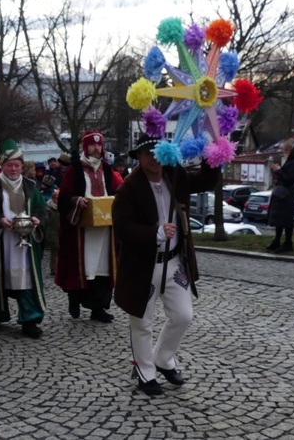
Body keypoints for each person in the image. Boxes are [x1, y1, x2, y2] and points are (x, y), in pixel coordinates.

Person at [112, 134, 220, 396]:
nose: (154, 158)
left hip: (174, 262)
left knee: (183, 316)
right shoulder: (129, 187)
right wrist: (156, 233)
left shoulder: (174, 174)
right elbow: (122, 227)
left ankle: (163, 359)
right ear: (138, 157)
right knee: (142, 322)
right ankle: (145, 372)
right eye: (148, 153)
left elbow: (205, 180)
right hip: (143, 266)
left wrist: (212, 154)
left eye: (159, 152)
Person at [0, 139, 48, 339]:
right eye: (9, 165)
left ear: (22, 166)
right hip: (1, 243)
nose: (14, 169)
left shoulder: (31, 186)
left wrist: (37, 219)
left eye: (17, 165)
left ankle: (30, 319)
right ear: (2, 166)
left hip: (26, 245)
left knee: (27, 279)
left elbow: (43, 209)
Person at [56, 131, 122, 323]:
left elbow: (119, 190)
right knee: (81, 266)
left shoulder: (108, 170)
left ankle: (98, 308)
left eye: (99, 145)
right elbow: (64, 197)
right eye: (93, 145)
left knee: (102, 268)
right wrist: (77, 200)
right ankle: (74, 300)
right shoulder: (75, 170)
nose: (97, 148)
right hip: (81, 230)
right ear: (86, 147)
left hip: (104, 230)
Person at [267, 139, 294, 253]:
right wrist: (279, 171)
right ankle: (277, 241)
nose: (284, 152)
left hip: (288, 195)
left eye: (286, 150)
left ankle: (288, 243)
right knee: (279, 219)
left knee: (286, 220)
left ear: (292, 150)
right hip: (283, 194)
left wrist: (278, 170)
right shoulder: (291, 162)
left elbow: (289, 180)